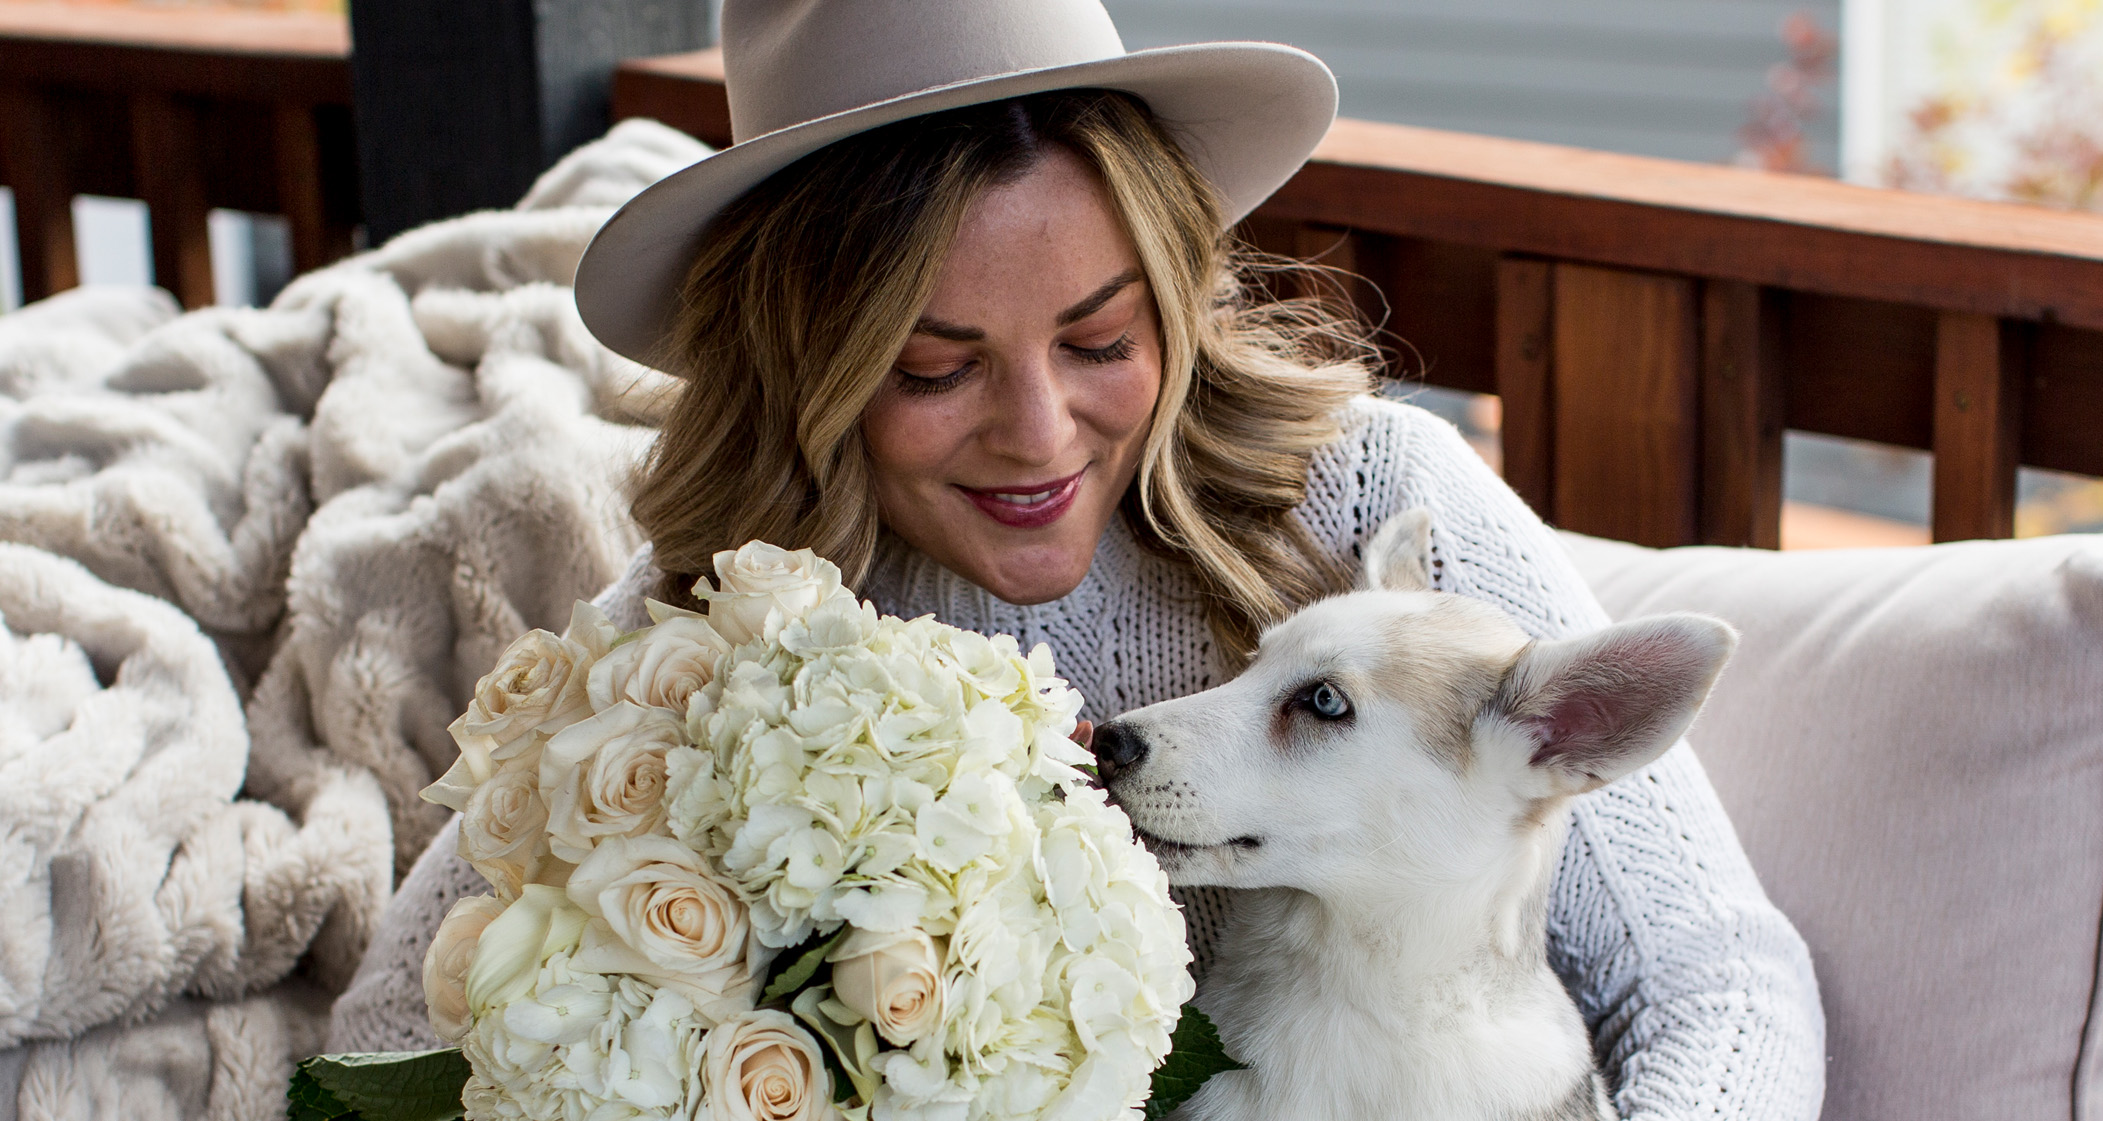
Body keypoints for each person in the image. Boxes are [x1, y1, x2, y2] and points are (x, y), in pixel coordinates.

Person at [332, 0, 1825, 1115]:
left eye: (1104, 338)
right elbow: (391, 1034)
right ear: (808, 365)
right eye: (934, 369)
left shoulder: (1372, 495)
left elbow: (1711, 971)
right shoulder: (707, 634)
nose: (1042, 435)